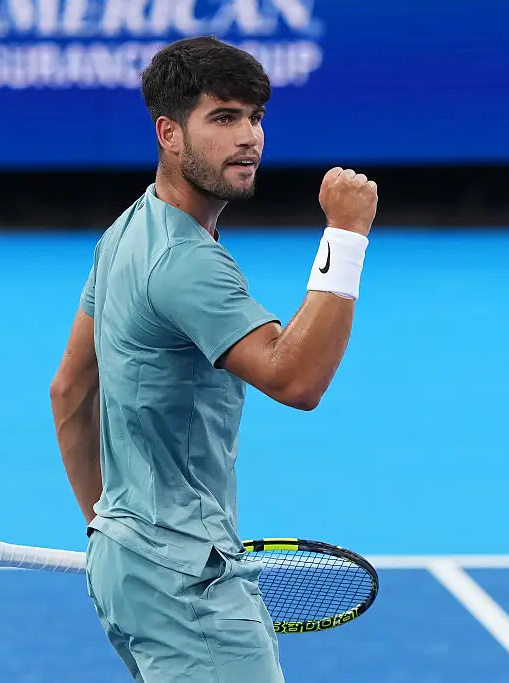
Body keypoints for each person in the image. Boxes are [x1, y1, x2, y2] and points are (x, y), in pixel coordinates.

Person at [49, 35, 378, 683]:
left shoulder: (126, 232)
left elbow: (69, 393)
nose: (248, 137)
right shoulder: (187, 264)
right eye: (223, 118)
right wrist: (346, 235)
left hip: (129, 569)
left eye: (255, 117)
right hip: (189, 590)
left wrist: (111, 534)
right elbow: (297, 378)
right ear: (169, 133)